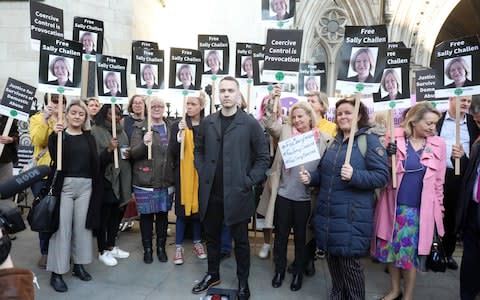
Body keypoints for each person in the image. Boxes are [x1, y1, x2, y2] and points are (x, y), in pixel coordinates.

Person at [300, 97, 389, 299]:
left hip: (352, 217)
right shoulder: (334, 142)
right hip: (329, 215)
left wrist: (355, 175)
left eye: (348, 112)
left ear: (358, 115)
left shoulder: (369, 140)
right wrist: (310, 178)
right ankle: (337, 294)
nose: (343, 117)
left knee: (350, 266)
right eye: (339, 113)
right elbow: (324, 175)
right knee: (333, 260)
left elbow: (382, 176)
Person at [191, 76, 269, 299]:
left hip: (238, 193)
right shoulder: (208, 122)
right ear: (218, 94)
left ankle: (243, 281)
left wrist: (249, 180)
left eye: (230, 90)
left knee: (242, 242)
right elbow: (199, 149)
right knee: (212, 237)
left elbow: (263, 157)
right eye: (223, 90)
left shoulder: (250, 123)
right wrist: (202, 169)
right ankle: (212, 273)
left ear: (238, 94)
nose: (226, 94)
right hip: (211, 192)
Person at [372, 102, 447, 300]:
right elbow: (382, 173)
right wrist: (386, 157)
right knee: (391, 252)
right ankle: (395, 290)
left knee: (407, 256)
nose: (433, 128)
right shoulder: (395, 137)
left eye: (435, 124)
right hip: (391, 207)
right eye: (429, 123)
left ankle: (408, 296)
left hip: (417, 212)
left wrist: (439, 208)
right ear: (414, 121)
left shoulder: (439, 144)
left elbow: (439, 181)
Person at [262, 101, 328, 291]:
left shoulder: (322, 139)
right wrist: (273, 101)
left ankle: (298, 272)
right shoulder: (286, 132)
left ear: (310, 117)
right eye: (294, 117)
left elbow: (325, 169)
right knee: (281, 236)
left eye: (301, 116)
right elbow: (269, 124)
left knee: (302, 239)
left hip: (306, 199)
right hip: (283, 194)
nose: (297, 120)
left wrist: (313, 179)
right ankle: (279, 270)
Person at [47, 99, 103, 293]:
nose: (77, 116)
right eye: (74, 113)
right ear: (67, 114)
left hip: (86, 187)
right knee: (62, 229)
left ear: (85, 117)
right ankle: (57, 272)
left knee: (82, 228)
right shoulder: (60, 136)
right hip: (66, 186)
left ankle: (79, 264)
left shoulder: (89, 137)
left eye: (81, 114)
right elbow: (54, 155)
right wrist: (55, 134)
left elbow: (94, 162)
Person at [436, 95, 479, 270]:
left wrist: (463, 157)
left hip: (460, 176)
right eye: (463, 100)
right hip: (437, 175)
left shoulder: (472, 123)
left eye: (468, 101)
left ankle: (448, 253)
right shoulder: (437, 120)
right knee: (436, 214)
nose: (466, 104)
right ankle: (433, 251)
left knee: (455, 215)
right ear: (452, 98)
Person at [130, 97, 174, 264]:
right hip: (145, 180)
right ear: (149, 108)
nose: (157, 108)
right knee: (147, 216)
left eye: (160, 106)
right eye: (154, 106)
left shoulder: (171, 127)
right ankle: (148, 249)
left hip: (165, 179)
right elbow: (133, 153)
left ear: (164, 108)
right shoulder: (140, 128)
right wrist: (143, 143)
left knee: (163, 215)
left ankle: (161, 248)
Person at [168, 94, 207, 265]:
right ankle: (178, 246)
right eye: (187, 104)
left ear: (201, 106)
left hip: (201, 173)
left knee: (198, 210)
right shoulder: (179, 125)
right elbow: (172, 151)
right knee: (182, 209)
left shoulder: (207, 125)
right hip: (183, 173)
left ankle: (197, 243)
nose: (189, 107)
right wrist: (179, 137)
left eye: (193, 104)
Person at [91, 104, 132, 267]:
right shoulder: (96, 131)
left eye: (117, 114)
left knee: (117, 212)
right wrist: (109, 150)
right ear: (104, 115)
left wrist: (128, 153)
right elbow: (94, 160)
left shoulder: (121, 131)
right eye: (110, 114)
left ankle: (111, 244)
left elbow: (124, 151)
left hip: (121, 178)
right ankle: (103, 250)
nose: (114, 117)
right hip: (106, 179)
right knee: (105, 215)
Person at [29, 93, 66, 269]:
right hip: (43, 175)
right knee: (45, 214)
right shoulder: (37, 118)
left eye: (62, 101)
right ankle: (45, 251)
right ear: (47, 102)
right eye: (55, 100)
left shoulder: (68, 118)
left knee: (62, 215)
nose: (58, 104)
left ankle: (60, 249)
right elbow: (38, 140)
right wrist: (46, 120)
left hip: (64, 174)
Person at [456, 99, 480, 300]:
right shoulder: (478, 145)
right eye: (478, 122)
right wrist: (462, 158)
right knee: (470, 263)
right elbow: (470, 174)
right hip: (474, 212)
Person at [0, 116, 18, 201]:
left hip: (5, 159)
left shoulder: (8, 115)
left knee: (7, 191)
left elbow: (16, 135)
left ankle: (4, 213)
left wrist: (12, 139)